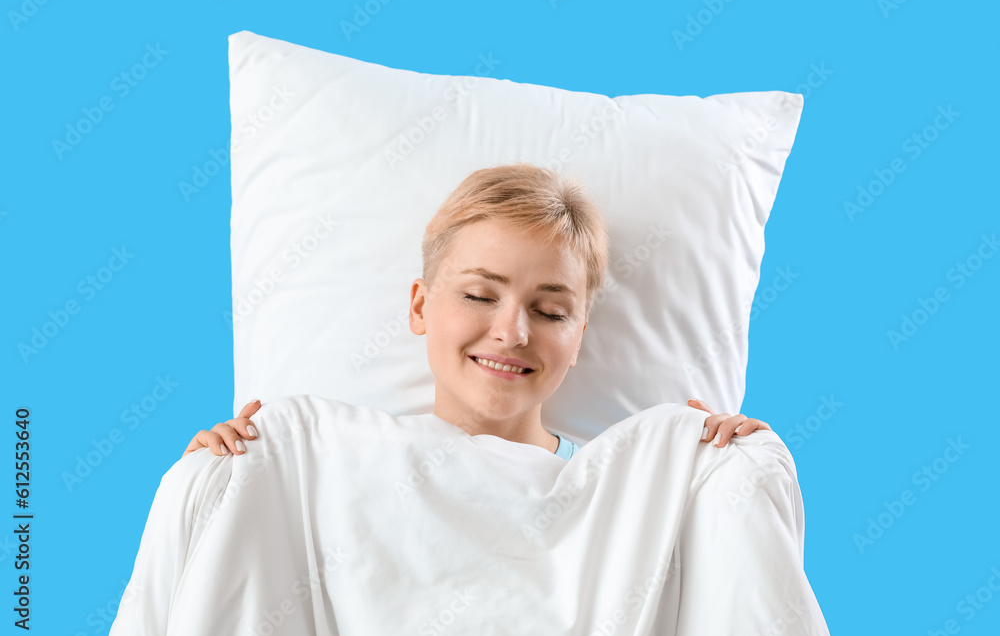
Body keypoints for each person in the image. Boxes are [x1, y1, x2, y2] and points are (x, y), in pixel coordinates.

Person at [183, 162, 771, 460]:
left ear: (580, 335)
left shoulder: (624, 488)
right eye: (479, 296)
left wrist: (736, 468)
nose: (512, 332)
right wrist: (213, 482)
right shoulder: (340, 469)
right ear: (420, 306)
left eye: (549, 311)